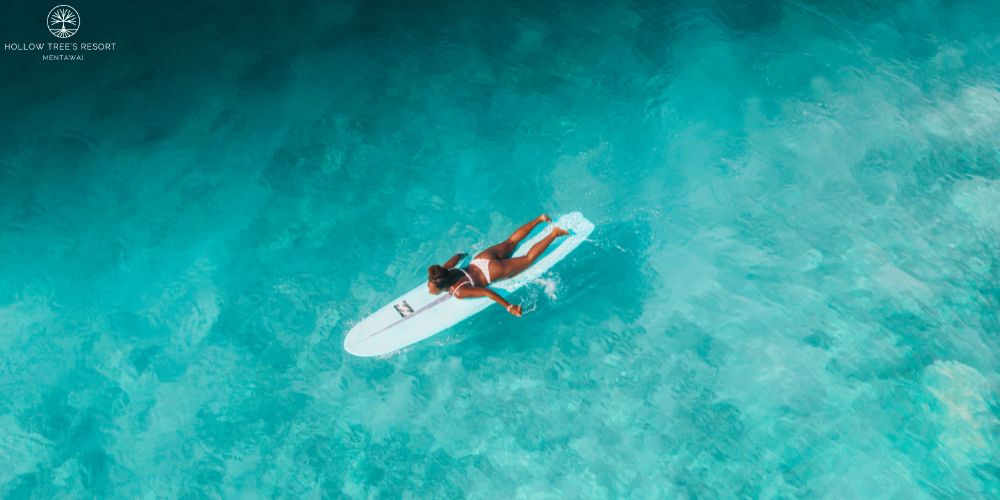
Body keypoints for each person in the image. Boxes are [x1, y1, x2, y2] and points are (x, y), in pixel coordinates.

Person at [427, 214, 568, 317]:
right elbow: (458, 256)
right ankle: (540, 219)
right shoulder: (445, 270)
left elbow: (486, 292)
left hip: (491, 272)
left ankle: (554, 234)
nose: (428, 290)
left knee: (527, 259)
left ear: (442, 287)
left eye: (430, 288)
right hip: (480, 260)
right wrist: (464, 255)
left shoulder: (458, 291)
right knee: (510, 242)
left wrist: (509, 306)